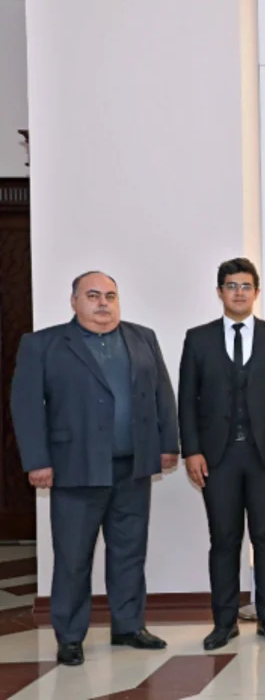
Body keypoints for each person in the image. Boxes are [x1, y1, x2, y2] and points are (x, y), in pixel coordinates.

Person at [11, 271, 178, 667]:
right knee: (73, 557)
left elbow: (163, 394)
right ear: (74, 302)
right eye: (93, 295)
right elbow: (26, 405)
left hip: (133, 467)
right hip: (75, 468)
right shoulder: (43, 344)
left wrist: (168, 444)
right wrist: (37, 460)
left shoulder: (143, 338)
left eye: (110, 296)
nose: (103, 303)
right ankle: (70, 636)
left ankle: (129, 626)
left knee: (129, 552)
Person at [178, 258, 265, 650]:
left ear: (256, 292)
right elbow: (187, 401)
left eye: (246, 286)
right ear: (220, 292)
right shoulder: (197, 339)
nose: (238, 292)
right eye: (231, 286)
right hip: (218, 459)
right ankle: (224, 622)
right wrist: (192, 451)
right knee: (224, 539)